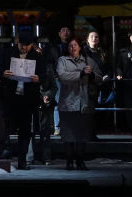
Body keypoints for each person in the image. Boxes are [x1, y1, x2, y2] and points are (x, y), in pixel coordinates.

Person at [2, 31, 47, 170]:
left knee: (25, 130)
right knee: (6, 126)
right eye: (21, 45)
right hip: (10, 96)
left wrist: (38, 78)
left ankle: (22, 160)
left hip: (28, 98)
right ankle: (3, 156)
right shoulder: (8, 53)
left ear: (32, 45)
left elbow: (45, 75)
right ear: (17, 42)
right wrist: (3, 73)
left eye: (27, 45)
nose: (24, 48)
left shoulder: (37, 56)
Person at [57, 38, 102, 170]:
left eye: (75, 45)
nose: (73, 48)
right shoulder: (62, 60)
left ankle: (80, 161)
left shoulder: (88, 60)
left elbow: (100, 77)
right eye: (70, 46)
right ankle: (69, 161)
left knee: (82, 135)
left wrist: (92, 74)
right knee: (69, 135)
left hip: (84, 102)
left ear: (80, 47)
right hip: (67, 103)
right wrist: (81, 73)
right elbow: (62, 76)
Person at [82, 30, 111, 138]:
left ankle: (92, 133)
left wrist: (107, 75)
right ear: (87, 40)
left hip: (101, 85)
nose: (94, 39)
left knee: (96, 110)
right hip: (88, 84)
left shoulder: (102, 52)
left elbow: (108, 67)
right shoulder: (83, 52)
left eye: (96, 37)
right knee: (88, 110)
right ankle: (88, 134)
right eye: (92, 37)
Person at [48, 25, 73, 134]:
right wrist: (55, 75)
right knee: (58, 102)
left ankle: (69, 127)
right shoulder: (53, 47)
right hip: (58, 78)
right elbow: (50, 62)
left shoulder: (74, 46)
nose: (65, 32)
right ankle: (57, 127)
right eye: (63, 30)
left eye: (67, 30)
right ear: (59, 33)